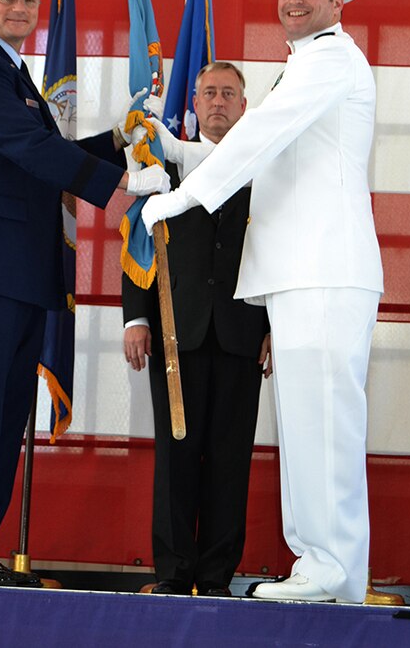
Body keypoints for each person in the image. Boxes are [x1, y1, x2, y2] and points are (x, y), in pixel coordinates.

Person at [0, 0, 169, 587]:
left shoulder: (11, 76)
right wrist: (122, 185)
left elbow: (38, 151)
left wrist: (117, 140)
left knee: (2, 413)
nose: (20, 7)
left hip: (13, 270)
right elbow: (31, 149)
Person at [141, 0, 383, 604]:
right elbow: (260, 149)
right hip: (306, 273)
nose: (295, 0)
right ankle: (329, 573)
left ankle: (329, 568)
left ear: (338, 1)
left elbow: (256, 136)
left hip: (325, 269)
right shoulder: (305, 65)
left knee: (326, 427)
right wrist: (174, 154)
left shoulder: (329, 60)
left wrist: (178, 197)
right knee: (310, 427)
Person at [123, 62, 271, 598]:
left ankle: (214, 578)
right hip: (172, 333)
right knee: (176, 455)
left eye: (229, 93)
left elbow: (281, 251)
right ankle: (172, 571)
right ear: (195, 101)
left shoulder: (266, 169)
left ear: (244, 105)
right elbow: (139, 242)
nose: (218, 101)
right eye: (209, 91)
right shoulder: (165, 168)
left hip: (241, 334)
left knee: (230, 460)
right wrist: (136, 317)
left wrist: (275, 326)